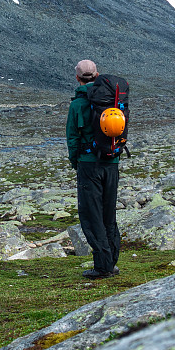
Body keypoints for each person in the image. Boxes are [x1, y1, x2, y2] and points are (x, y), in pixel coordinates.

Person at [67, 59, 120, 279]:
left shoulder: (78, 104)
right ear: (97, 75)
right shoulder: (112, 101)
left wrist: (75, 162)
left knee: (92, 214)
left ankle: (103, 266)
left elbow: (72, 138)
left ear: (77, 78)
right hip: (112, 163)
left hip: (89, 165)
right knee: (109, 213)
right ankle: (111, 262)